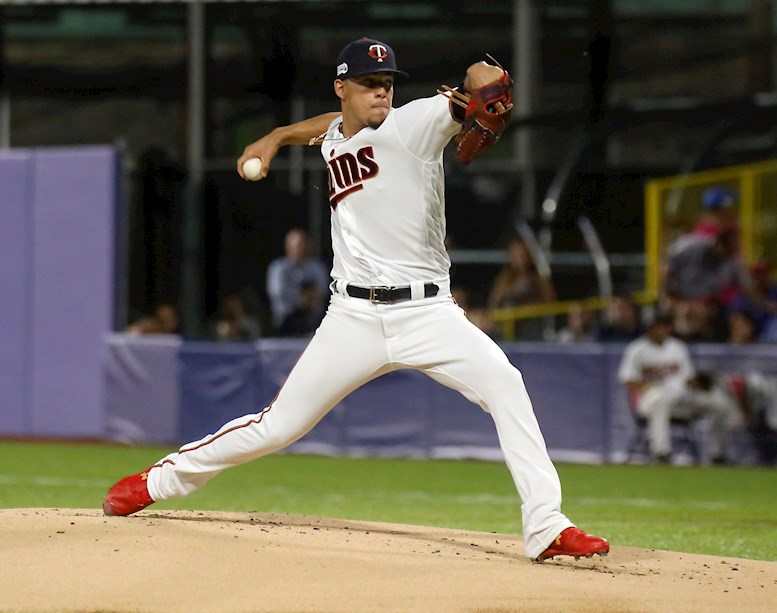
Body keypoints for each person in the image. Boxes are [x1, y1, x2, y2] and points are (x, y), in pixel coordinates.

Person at [102, 36, 608, 562]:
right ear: (342, 88)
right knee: (277, 426)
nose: (381, 92)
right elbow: (329, 127)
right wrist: (276, 136)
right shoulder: (335, 137)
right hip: (353, 317)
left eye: (387, 83)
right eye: (369, 84)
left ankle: (546, 525)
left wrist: (485, 86)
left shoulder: (414, 123)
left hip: (427, 313)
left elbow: (480, 77)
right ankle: (157, 482)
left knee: (506, 384)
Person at [618, 312, 736, 465]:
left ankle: (717, 453)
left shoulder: (677, 347)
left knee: (721, 404)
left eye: (664, 326)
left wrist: (701, 381)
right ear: (649, 329)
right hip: (650, 399)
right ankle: (661, 453)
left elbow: (688, 378)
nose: (661, 329)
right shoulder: (636, 349)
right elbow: (627, 379)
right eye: (657, 326)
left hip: (681, 399)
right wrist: (648, 389)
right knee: (660, 399)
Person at [266, 228, 330, 333]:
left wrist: (311, 298)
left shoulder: (317, 267)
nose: (302, 249)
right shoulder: (278, 268)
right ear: (288, 247)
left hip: (314, 320)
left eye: (304, 245)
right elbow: (277, 292)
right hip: (285, 321)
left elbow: (324, 290)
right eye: (298, 246)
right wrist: (299, 299)